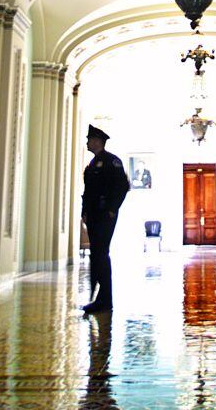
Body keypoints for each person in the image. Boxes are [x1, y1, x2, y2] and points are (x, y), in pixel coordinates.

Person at [81, 124, 129, 313]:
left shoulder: (111, 161)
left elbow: (122, 186)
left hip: (104, 216)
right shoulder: (92, 164)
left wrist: (111, 209)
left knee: (101, 254)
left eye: (89, 139)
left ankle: (105, 299)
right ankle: (101, 298)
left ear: (97, 141)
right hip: (93, 215)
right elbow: (88, 192)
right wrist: (84, 212)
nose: (87, 142)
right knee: (97, 255)